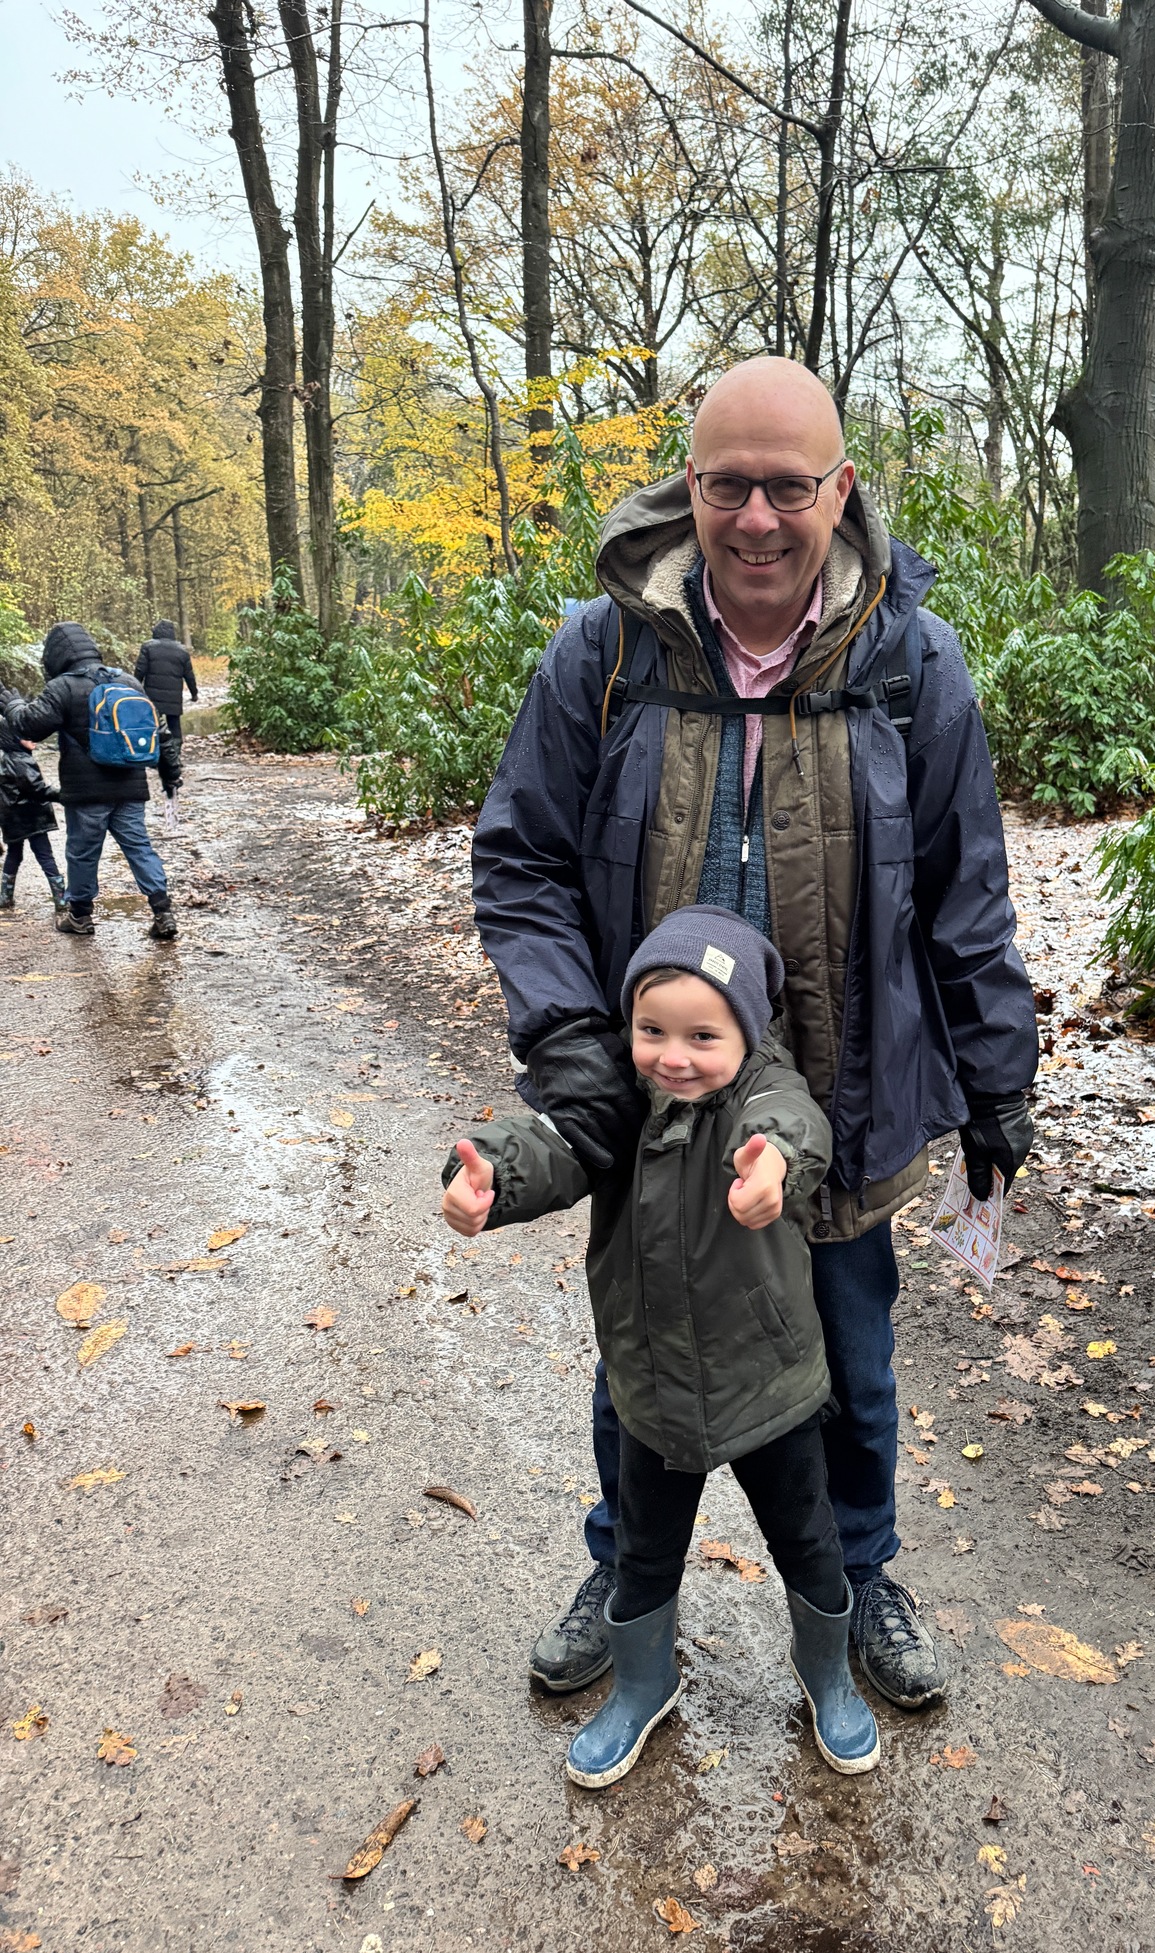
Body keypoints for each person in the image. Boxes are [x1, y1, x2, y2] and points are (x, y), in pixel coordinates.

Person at [471, 355, 1038, 1710]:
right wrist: (574, 1048)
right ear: (691, 488)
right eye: (730, 486)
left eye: (790, 487)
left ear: (841, 491)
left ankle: (861, 1573)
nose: (760, 518)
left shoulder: (910, 664)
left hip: (844, 1097)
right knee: (642, 1358)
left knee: (851, 1369)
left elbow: (966, 892)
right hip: (657, 1094)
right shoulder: (605, 654)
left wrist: (996, 1076)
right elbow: (522, 862)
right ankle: (626, 1571)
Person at [443, 906, 881, 1786]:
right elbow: (552, 1142)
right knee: (642, 1553)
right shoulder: (620, 1103)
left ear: (746, 1032)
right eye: (652, 1030)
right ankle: (643, 1683)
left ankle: (827, 1674)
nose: (673, 1057)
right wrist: (489, 1173)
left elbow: (794, 1123)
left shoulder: (763, 1092)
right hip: (649, 1389)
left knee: (808, 1541)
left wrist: (775, 1166)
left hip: (769, 1386)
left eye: (701, 1036)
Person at [0, 622, 177, 940]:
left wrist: (11, 704)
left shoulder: (63, 687)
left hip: (86, 792)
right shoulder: (127, 681)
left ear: (56, 655)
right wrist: (170, 774)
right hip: (131, 787)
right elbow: (159, 730)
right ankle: (163, 912)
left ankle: (80, 917)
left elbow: (29, 726)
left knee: (82, 853)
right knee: (139, 848)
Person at [133, 619, 198, 830]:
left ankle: (154, 757)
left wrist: (133, 687)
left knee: (153, 728)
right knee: (175, 728)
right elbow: (189, 674)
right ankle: (174, 759)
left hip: (152, 698)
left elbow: (140, 670)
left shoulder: (148, 647)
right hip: (173, 698)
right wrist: (194, 693)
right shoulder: (181, 650)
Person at [0, 716, 66, 913]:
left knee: (14, 854)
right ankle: (61, 899)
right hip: (31, 817)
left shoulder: (5, 758)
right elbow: (37, 788)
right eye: (27, 736)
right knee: (45, 855)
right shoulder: (21, 760)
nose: (33, 739)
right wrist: (63, 795)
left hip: (12, 818)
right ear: (14, 737)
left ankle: (5, 896)